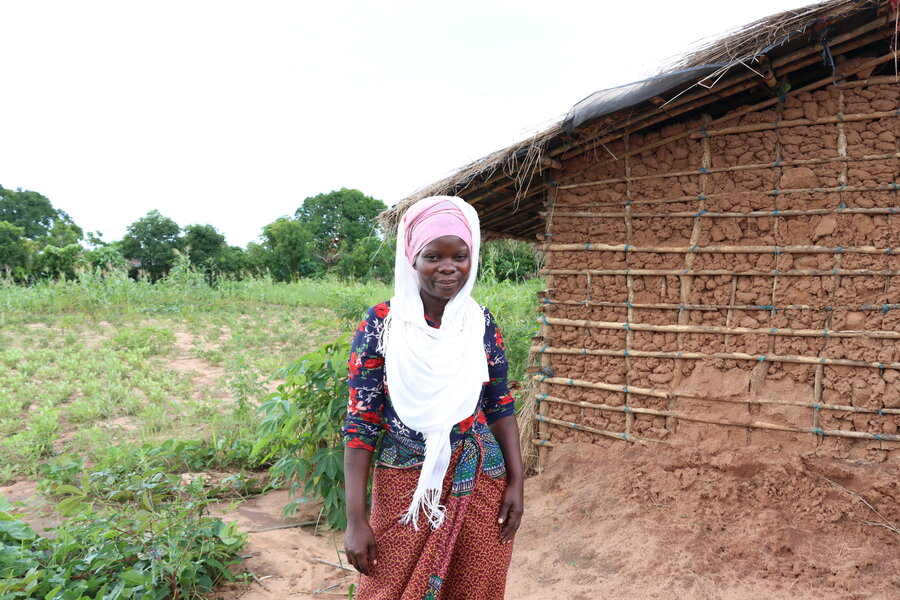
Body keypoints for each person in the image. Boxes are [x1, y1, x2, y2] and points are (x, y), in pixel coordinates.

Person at [342, 195, 524, 600]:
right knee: (385, 587)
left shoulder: (479, 322)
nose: (448, 267)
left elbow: (499, 405)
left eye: (460, 256)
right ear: (412, 258)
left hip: (480, 478)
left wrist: (517, 481)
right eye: (433, 256)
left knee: (475, 587)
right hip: (403, 480)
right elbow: (361, 421)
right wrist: (356, 518)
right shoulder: (383, 325)